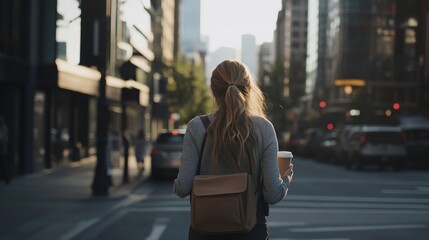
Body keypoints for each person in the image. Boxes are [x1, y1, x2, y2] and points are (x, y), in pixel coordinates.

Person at [173, 60, 294, 240]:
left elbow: (182, 188)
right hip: (250, 232)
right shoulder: (264, 128)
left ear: (213, 91)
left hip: (205, 231)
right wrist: (286, 178)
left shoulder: (197, 127)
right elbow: (272, 195)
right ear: (248, 89)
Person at [0, 116, 10, 184]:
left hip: (1, 147)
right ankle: (6, 178)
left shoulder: (3, 128)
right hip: (2, 147)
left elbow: (4, 138)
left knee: (3, 163)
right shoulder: (4, 127)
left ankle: (6, 178)